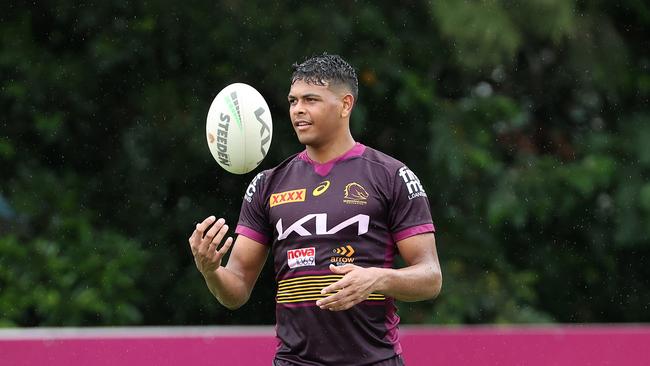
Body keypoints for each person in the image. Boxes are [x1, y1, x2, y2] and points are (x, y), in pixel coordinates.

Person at [188, 53, 442, 366]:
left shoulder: (391, 176)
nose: (298, 110)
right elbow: (236, 289)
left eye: (311, 100)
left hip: (374, 360)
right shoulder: (268, 184)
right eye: (293, 101)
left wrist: (377, 279)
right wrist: (211, 270)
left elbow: (431, 277)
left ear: (346, 105)